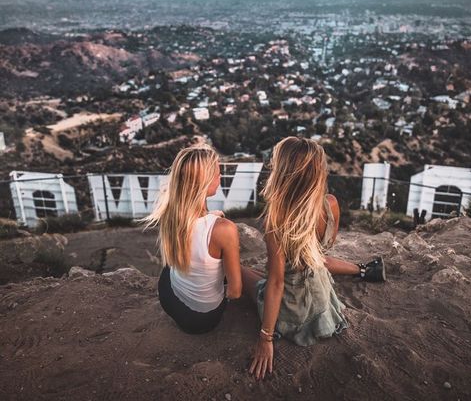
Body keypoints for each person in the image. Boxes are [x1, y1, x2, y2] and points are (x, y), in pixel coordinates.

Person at [243, 137, 375, 380]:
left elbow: (277, 284)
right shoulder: (331, 204)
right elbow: (324, 252)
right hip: (323, 298)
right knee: (272, 274)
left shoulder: (277, 222)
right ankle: (364, 270)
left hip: (294, 308)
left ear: (282, 173)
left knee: (243, 273)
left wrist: (265, 338)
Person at [142, 143, 242, 334]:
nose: (220, 177)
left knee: (171, 265)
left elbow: (196, 226)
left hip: (169, 299)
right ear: (205, 181)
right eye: (217, 174)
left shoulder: (171, 214)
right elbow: (235, 292)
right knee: (227, 268)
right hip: (202, 320)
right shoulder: (225, 230)